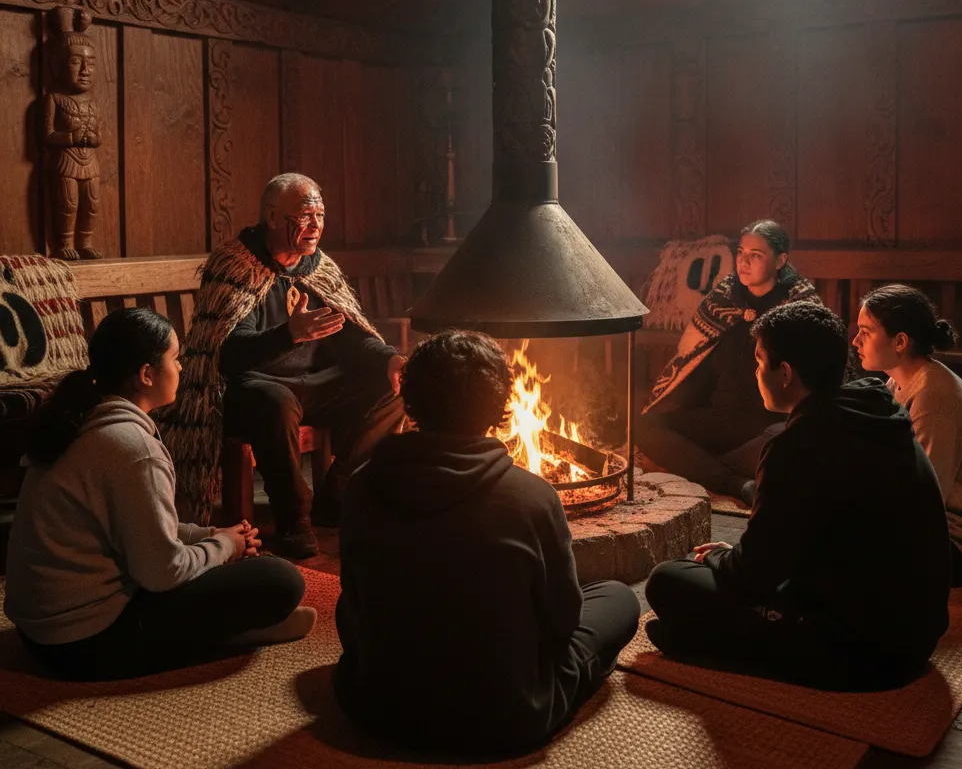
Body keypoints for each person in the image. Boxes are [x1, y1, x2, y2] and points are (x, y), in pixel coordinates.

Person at [334, 329, 641, 756]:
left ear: (408, 397)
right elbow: (563, 620)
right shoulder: (532, 497)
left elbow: (352, 609)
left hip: (379, 708)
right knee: (618, 598)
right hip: (507, 718)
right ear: (501, 406)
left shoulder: (362, 486)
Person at [645, 302, 950, 690]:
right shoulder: (880, 410)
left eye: (759, 363)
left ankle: (717, 646)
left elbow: (754, 578)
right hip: (917, 634)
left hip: (861, 650)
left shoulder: (797, 446)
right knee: (710, 578)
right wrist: (739, 558)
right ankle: (707, 638)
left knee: (667, 580)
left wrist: (725, 559)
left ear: (785, 373)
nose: (756, 373)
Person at [4, 307, 313, 681]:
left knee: (219, 565)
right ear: (146, 375)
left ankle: (228, 623)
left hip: (40, 634)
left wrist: (208, 536)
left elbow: (139, 527)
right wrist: (226, 548)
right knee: (280, 579)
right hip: (84, 644)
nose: (181, 368)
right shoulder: (132, 447)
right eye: (175, 359)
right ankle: (232, 633)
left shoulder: (82, 417)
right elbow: (162, 572)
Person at [163, 172, 406, 559]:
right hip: (253, 388)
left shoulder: (317, 267)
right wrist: (288, 334)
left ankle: (338, 495)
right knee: (275, 400)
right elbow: (227, 355)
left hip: (315, 384)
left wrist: (389, 358)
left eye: (321, 216)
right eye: (305, 216)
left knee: (392, 384)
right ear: (273, 217)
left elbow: (348, 335)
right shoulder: (236, 266)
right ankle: (295, 518)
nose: (316, 226)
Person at [637, 220, 821, 503]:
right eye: (740, 253)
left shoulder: (799, 308)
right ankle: (738, 484)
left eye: (755, 256)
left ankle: (702, 465)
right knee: (645, 427)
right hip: (720, 416)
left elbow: (815, 380)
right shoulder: (721, 300)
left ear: (780, 260)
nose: (743, 262)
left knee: (786, 445)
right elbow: (690, 361)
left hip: (769, 421)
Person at [855, 284, 962, 587]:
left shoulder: (934, 400)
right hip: (927, 529)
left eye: (866, 332)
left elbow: (923, 498)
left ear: (900, 341)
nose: (855, 340)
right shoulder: (899, 382)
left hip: (961, 549)